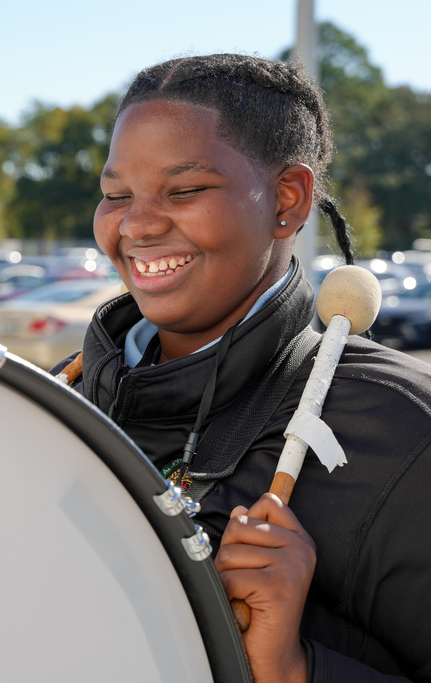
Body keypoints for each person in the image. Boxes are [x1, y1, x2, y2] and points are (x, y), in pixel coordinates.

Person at [53, 54, 431, 682]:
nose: (138, 224)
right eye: (116, 195)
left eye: (185, 190)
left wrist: (294, 669)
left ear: (288, 199)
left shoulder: (401, 431)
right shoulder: (58, 400)